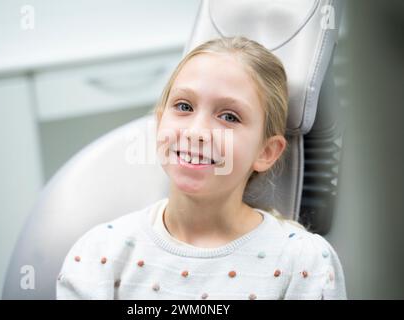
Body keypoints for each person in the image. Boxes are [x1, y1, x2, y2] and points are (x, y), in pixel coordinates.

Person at [56, 36, 347, 300]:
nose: (197, 132)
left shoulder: (304, 264)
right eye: (184, 107)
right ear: (160, 123)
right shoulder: (100, 256)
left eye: (229, 117)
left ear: (266, 152)